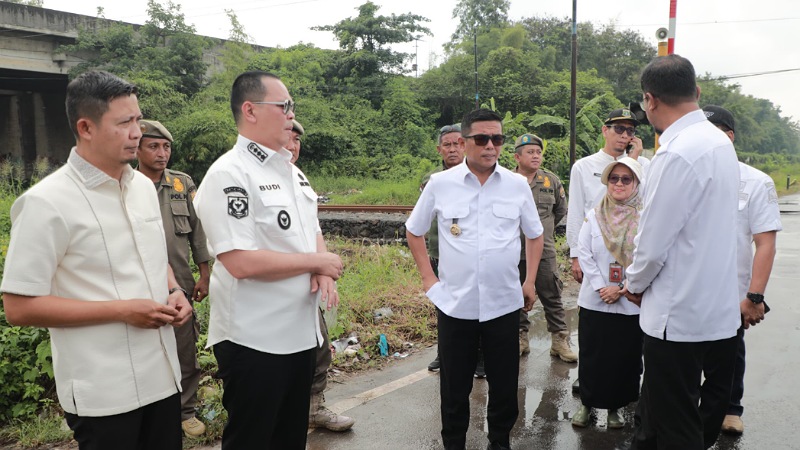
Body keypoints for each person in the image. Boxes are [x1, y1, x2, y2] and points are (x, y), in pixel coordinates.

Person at [0, 70, 191, 450]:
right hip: (105, 391)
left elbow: (152, 255)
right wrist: (122, 311)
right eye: (124, 123)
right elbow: (19, 307)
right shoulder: (46, 203)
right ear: (85, 127)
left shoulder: (140, 186)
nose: (137, 132)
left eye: (137, 119)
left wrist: (173, 288)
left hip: (163, 375)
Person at [193, 71, 343, 449]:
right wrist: (316, 262)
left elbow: (309, 230)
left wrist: (321, 265)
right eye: (284, 106)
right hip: (255, 339)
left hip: (299, 333)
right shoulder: (230, 173)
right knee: (254, 439)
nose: (291, 115)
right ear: (250, 110)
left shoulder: (291, 172)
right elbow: (240, 262)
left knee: (290, 438)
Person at [406, 109, 544, 450]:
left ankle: (500, 442)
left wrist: (529, 282)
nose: (490, 146)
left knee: (504, 385)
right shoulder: (441, 184)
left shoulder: (517, 185)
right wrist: (429, 279)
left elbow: (535, 234)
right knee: (454, 388)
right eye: (481, 139)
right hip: (455, 304)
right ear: (465, 141)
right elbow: (414, 231)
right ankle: (454, 443)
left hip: (503, 303)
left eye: (496, 139)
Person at [623, 55, 741, 450]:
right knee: (658, 417)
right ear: (697, 92)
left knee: (676, 425)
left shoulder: (675, 153)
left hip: (677, 316)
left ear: (649, 100)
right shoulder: (719, 144)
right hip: (714, 309)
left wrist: (634, 284)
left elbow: (653, 242)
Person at [702, 105, 782, 436]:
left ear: (729, 136)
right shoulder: (688, 175)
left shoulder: (756, 181)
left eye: (714, 133)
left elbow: (765, 243)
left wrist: (755, 296)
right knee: (686, 353)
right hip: (689, 288)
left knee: (730, 352)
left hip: (732, 290)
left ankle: (731, 409)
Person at [135, 120, 211, 438]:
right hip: (138, 281)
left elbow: (198, 230)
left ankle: (186, 410)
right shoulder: (126, 185)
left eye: (166, 147)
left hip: (179, 278)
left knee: (184, 347)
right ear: (137, 149)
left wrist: (204, 273)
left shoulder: (181, 184)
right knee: (143, 347)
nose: (162, 153)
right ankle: (149, 410)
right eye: (153, 146)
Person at [287, 118, 355, 431]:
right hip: (273, 291)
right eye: (287, 138)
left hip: (306, 287)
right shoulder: (247, 178)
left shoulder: (299, 179)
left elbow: (314, 229)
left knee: (318, 349)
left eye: (297, 141)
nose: (292, 146)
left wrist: (324, 270)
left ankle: (313, 408)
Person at [571, 157, 644, 429]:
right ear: (606, 182)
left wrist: (624, 288)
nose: (620, 184)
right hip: (595, 298)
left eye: (627, 179)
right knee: (592, 354)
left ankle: (616, 408)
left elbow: (646, 257)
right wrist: (603, 286)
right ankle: (587, 405)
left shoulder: (644, 217)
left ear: (636, 183)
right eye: (614, 179)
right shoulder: (594, 214)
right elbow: (584, 252)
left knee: (624, 357)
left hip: (629, 300)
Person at [566, 108, 649, 284]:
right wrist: (575, 254)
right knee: (597, 296)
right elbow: (575, 211)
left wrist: (632, 161)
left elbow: (643, 202)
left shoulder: (644, 165)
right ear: (605, 130)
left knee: (630, 300)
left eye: (630, 131)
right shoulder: (583, 166)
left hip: (631, 246)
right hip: (595, 246)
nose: (624, 135)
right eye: (619, 129)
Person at [512, 134, 574, 362]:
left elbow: (559, 212)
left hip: (544, 251)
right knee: (515, 294)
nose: (536, 156)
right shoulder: (506, 181)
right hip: (512, 252)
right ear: (517, 156)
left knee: (552, 295)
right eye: (530, 152)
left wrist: (543, 233)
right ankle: (520, 337)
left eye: (538, 152)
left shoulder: (551, 181)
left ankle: (559, 340)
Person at [422, 124, 468, 374]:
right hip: (441, 253)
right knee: (444, 306)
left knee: (475, 304)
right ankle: (444, 353)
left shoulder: (477, 177)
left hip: (470, 254)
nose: (453, 149)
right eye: (447, 145)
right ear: (439, 150)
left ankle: (479, 357)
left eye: (458, 143)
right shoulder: (432, 181)